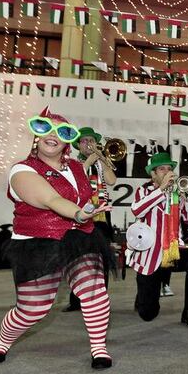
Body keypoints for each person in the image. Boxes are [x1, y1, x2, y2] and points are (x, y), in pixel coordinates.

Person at [0, 108, 113, 369]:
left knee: (95, 292)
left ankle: (99, 348)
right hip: (37, 242)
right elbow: (51, 199)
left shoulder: (76, 166)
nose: (53, 135)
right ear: (36, 135)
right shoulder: (22, 170)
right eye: (45, 128)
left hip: (79, 237)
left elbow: (89, 195)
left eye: (62, 131)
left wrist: (89, 208)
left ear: (67, 141)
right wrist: (80, 212)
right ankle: (2, 341)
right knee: (33, 310)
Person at [129, 152, 188, 328]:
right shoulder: (144, 190)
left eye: (169, 169)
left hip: (174, 247)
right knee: (148, 314)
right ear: (153, 174)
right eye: (161, 169)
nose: (167, 172)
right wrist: (161, 189)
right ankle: (143, 295)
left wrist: (187, 201)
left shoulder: (177, 192)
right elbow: (137, 210)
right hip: (150, 251)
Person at [64, 127, 117, 312]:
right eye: (85, 141)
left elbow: (111, 181)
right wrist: (87, 163)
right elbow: (72, 182)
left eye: (92, 141)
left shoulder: (99, 162)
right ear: (78, 145)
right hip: (80, 213)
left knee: (102, 257)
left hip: (101, 215)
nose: (89, 144)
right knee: (78, 258)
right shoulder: (71, 163)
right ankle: (76, 300)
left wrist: (102, 160)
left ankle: (100, 299)